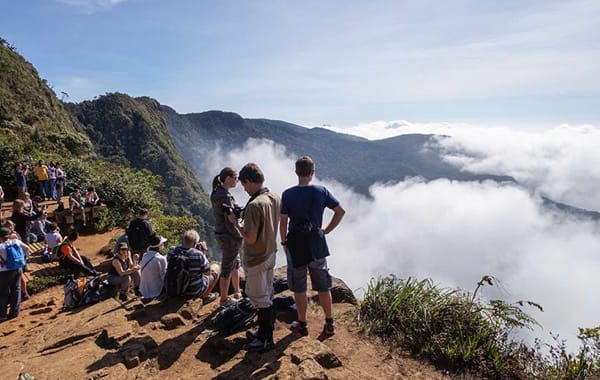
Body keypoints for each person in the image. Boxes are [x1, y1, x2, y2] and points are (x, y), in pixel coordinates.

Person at [280, 156, 345, 337]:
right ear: (312, 172)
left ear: (296, 172)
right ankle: (329, 324)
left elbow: (283, 222)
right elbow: (340, 212)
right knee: (323, 286)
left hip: (296, 244)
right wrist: (326, 231)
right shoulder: (321, 191)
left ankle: (302, 324)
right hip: (316, 242)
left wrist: (284, 242)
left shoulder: (288, 194)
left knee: (299, 287)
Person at [229, 163, 280, 352]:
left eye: (244, 185)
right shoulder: (274, 197)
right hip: (270, 253)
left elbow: (250, 238)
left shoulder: (255, 205)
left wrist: (236, 224)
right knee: (268, 295)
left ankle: (266, 339)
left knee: (261, 300)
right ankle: (262, 334)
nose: (244, 188)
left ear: (249, 181)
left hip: (257, 258)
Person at [210, 167, 244, 307]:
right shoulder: (225, 196)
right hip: (229, 235)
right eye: (235, 178)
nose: (237, 181)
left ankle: (237, 291)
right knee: (227, 266)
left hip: (220, 232)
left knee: (234, 261)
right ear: (228, 178)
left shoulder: (216, 192)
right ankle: (224, 299)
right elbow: (229, 221)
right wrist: (239, 234)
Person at [170, 229, 220, 301]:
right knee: (216, 268)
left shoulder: (172, 251)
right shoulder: (198, 255)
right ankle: (205, 296)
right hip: (193, 291)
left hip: (174, 288)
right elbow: (207, 273)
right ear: (195, 243)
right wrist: (203, 251)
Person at [0, 227, 30, 321]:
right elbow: (27, 248)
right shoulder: (16, 242)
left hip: (4, 272)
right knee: (16, 290)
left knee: (3, 293)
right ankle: (14, 312)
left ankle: (3, 315)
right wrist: (22, 258)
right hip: (18, 268)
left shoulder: (1, 246)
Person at [138, 234, 168, 301]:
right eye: (162, 243)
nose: (163, 245)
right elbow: (164, 277)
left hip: (143, 290)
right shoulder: (161, 259)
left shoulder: (144, 255)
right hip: (156, 291)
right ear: (159, 246)